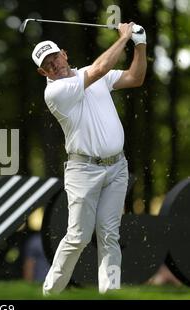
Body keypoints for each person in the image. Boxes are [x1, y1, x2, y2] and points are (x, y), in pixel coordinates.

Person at [31, 22, 147, 295]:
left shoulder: (91, 75)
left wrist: (140, 45)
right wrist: (124, 38)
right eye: (47, 64)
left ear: (65, 53)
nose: (54, 65)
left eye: (55, 57)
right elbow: (100, 69)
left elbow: (135, 78)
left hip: (117, 167)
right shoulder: (56, 92)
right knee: (78, 236)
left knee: (109, 234)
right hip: (84, 171)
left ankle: (111, 293)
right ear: (42, 72)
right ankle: (51, 291)